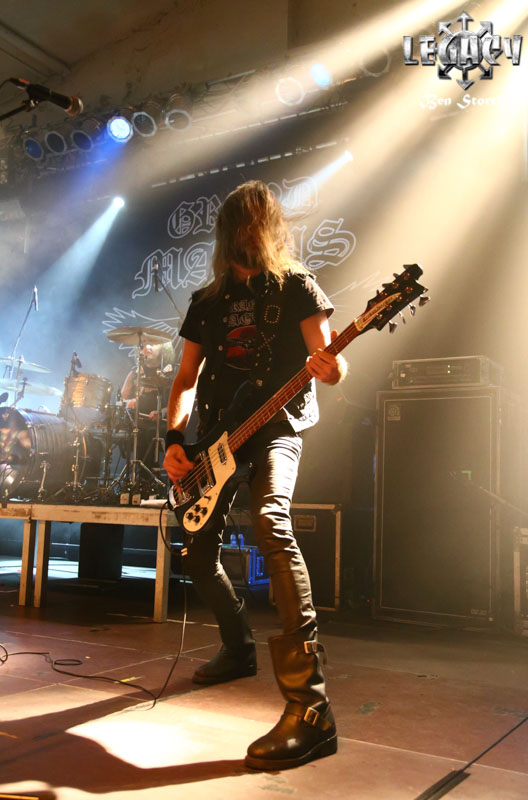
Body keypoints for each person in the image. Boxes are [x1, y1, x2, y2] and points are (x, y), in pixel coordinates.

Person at [163, 180, 347, 770]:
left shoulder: (296, 285)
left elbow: (331, 361)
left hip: (277, 426)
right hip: (218, 440)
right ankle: (239, 645)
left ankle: (310, 706)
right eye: (237, 223)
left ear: (268, 227)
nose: (246, 232)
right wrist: (174, 440)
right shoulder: (208, 300)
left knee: (271, 521)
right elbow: (186, 379)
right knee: (196, 551)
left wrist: (332, 367)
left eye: (254, 221)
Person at [121, 341, 174, 468]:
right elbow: (121, 400)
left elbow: (177, 404)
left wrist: (161, 413)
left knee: (149, 433)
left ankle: (147, 474)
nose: (148, 347)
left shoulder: (170, 373)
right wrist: (129, 403)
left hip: (163, 423)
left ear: (164, 348)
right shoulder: (135, 373)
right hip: (138, 423)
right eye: (145, 343)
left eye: (153, 343)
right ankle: (139, 474)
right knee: (131, 432)